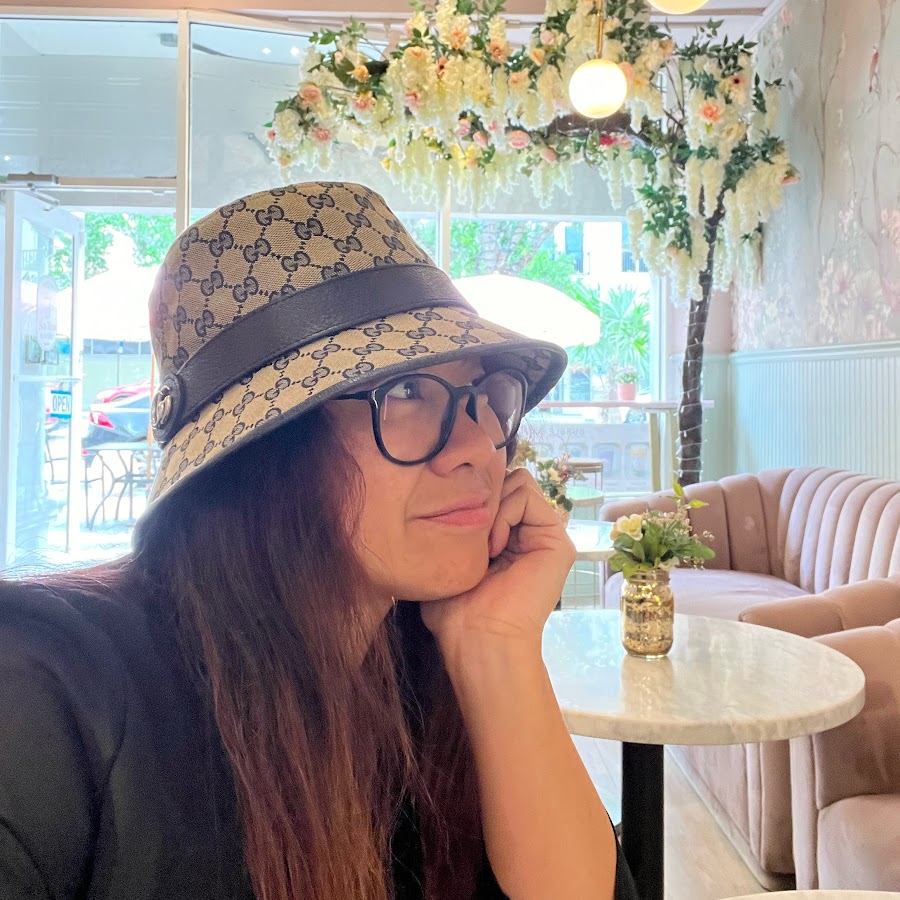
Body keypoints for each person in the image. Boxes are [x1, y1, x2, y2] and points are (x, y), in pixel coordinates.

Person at [0, 182, 638, 900]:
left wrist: (496, 647)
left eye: (484, 394)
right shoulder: (48, 688)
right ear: (262, 452)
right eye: (405, 392)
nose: (478, 448)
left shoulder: (426, 670)